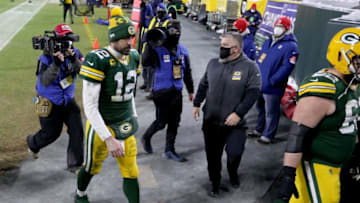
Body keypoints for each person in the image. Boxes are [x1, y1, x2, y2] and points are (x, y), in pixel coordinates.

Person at [261, 27, 360, 203]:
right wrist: (288, 174)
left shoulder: (351, 84)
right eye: (358, 61)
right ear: (340, 56)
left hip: (336, 167)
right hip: (317, 167)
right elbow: (296, 136)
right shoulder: (324, 87)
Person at [74, 9, 140, 203]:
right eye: (125, 38)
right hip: (101, 125)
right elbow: (90, 106)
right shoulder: (98, 59)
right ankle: (80, 194)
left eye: (132, 36)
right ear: (113, 38)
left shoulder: (134, 56)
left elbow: (129, 94)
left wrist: (133, 115)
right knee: (91, 166)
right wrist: (108, 138)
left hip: (125, 122)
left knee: (131, 170)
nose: (130, 42)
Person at [193, 33, 261, 197]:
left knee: (235, 153)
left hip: (235, 125)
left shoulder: (250, 67)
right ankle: (214, 183)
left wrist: (238, 114)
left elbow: (253, 93)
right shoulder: (213, 63)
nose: (220, 48)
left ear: (236, 49)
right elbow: (203, 84)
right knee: (213, 157)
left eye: (224, 46)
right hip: (211, 121)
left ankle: (233, 172)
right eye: (220, 45)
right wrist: (197, 103)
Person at [26, 24, 84, 173]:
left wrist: (73, 59)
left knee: (77, 130)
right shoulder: (45, 58)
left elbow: (82, 72)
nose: (66, 43)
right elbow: (45, 80)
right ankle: (33, 143)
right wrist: (56, 63)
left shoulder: (75, 52)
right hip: (49, 102)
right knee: (51, 134)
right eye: (63, 39)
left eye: (68, 38)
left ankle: (76, 164)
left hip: (68, 100)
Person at [141, 20, 194, 162]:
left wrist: (191, 91)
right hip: (161, 92)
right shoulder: (157, 48)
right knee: (161, 122)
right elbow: (145, 62)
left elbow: (187, 71)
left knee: (175, 122)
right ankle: (146, 137)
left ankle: (169, 150)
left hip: (177, 91)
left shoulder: (183, 50)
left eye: (177, 30)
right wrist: (149, 41)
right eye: (171, 30)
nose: (175, 33)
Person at [248, 16, 299, 144]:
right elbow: (260, 59)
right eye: (277, 26)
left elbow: (287, 67)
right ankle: (259, 129)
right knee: (260, 108)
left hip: (272, 86)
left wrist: (273, 81)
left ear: (287, 29)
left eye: (281, 27)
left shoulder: (291, 46)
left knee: (271, 112)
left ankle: (268, 135)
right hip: (260, 82)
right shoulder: (268, 41)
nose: (277, 29)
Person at [141, 2, 170, 99]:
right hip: (148, 46)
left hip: (158, 49)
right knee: (145, 66)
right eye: (158, 11)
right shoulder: (154, 19)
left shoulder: (167, 22)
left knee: (153, 71)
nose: (159, 13)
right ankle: (147, 84)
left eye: (161, 11)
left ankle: (153, 90)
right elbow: (147, 27)